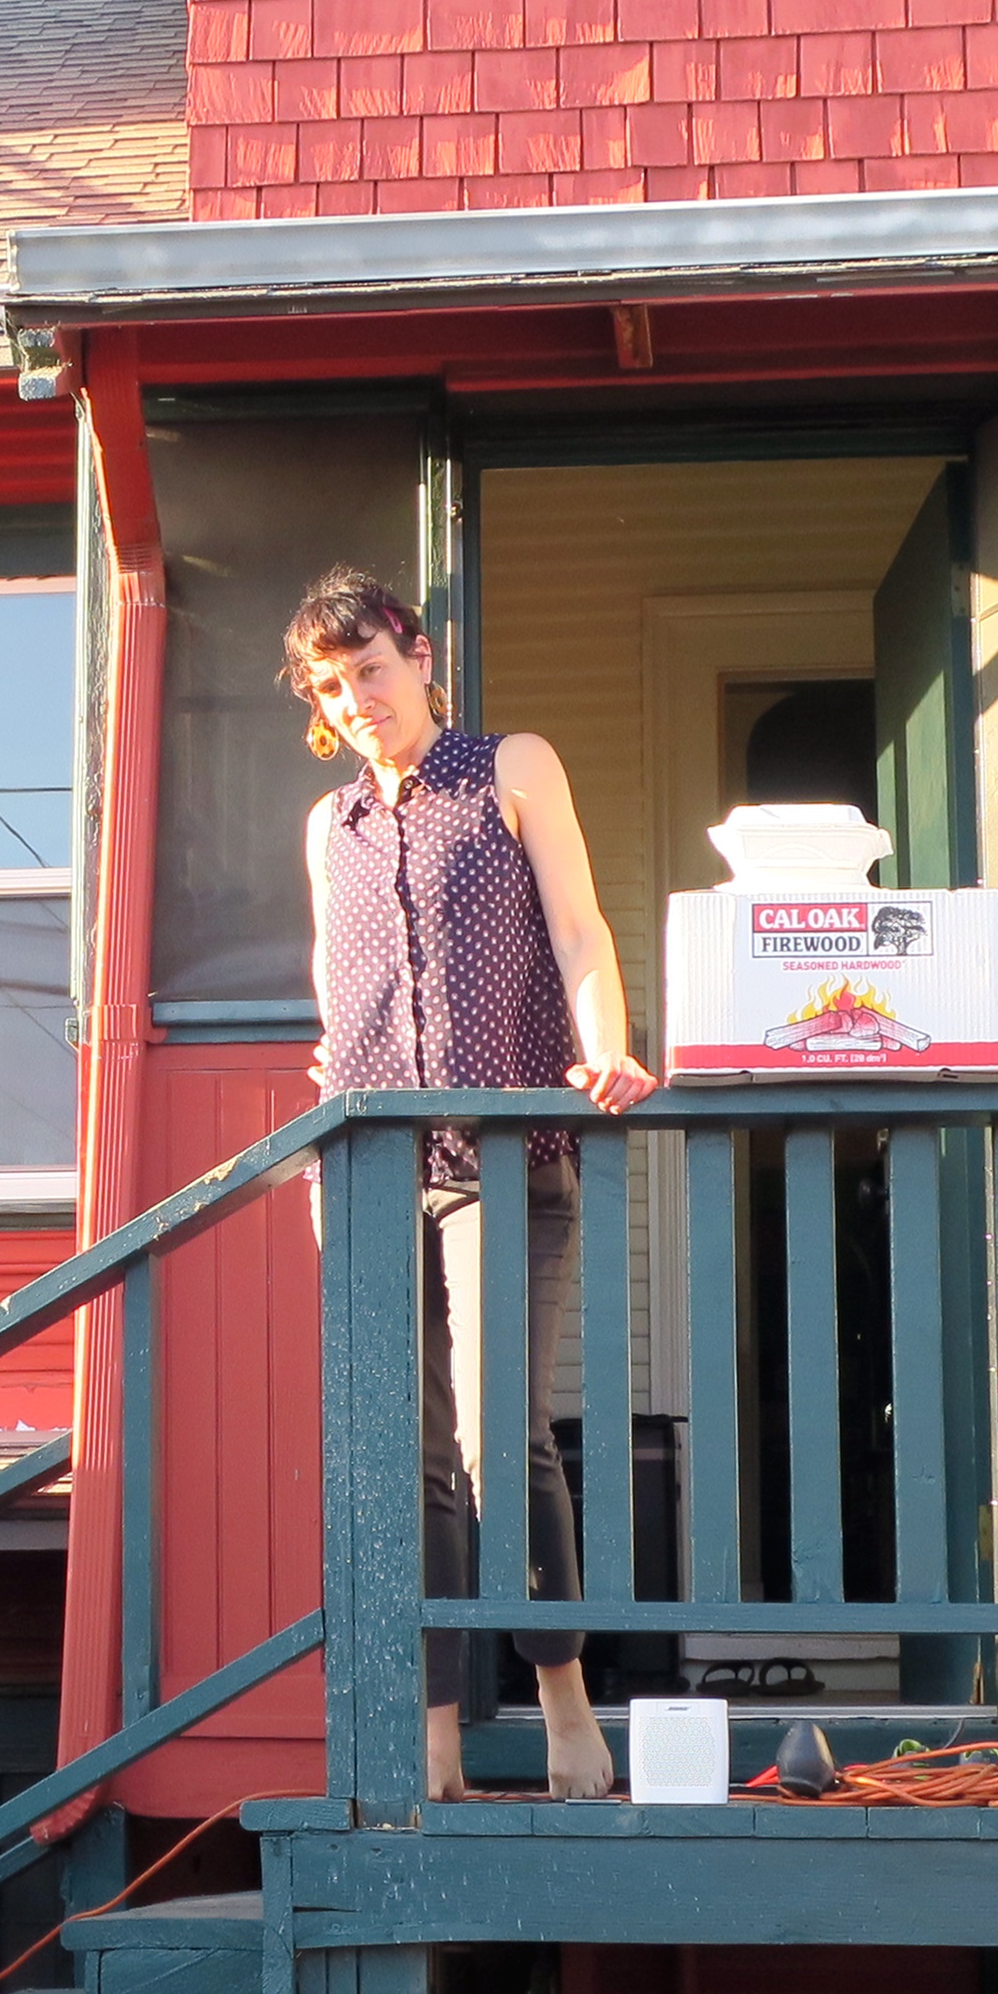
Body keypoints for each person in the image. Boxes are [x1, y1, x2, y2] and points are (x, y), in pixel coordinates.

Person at [283, 571, 658, 1802]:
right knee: (412, 1458)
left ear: (421, 658)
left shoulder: (509, 769)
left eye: (370, 671)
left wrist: (605, 1049)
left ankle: (564, 1705)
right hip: (375, 1173)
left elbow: (579, 930)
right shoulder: (329, 827)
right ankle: (433, 1737)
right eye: (331, 687)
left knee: (504, 1436)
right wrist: (331, 1099)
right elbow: (336, 999)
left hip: (504, 1158)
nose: (356, 700)